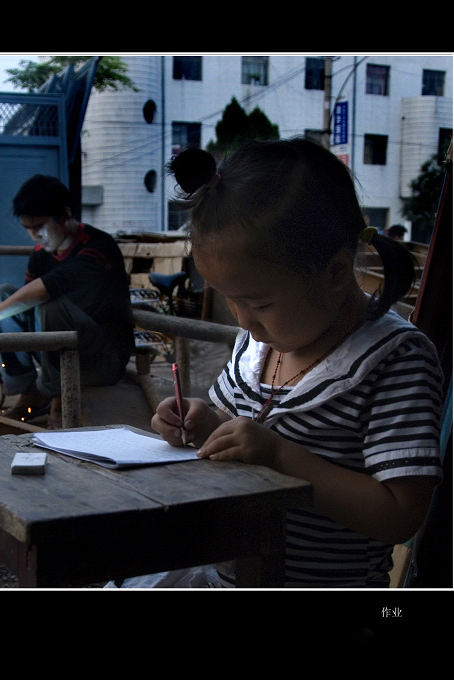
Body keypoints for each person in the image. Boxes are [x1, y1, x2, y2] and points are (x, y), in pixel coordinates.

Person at [114, 138, 444, 588]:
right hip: (228, 576)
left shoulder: (395, 360)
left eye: (260, 304)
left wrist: (280, 456)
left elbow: (400, 515)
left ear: (335, 272)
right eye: (230, 300)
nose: (243, 320)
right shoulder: (258, 345)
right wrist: (203, 424)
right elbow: (234, 427)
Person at [0, 174, 134, 428]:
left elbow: (44, 290)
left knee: (50, 307)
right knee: (2, 295)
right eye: (28, 228)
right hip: (60, 352)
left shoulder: (97, 247)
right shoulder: (41, 252)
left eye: (40, 226)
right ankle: (28, 391)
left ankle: (59, 401)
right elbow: (20, 303)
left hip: (103, 357)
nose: (34, 236)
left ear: (64, 215)